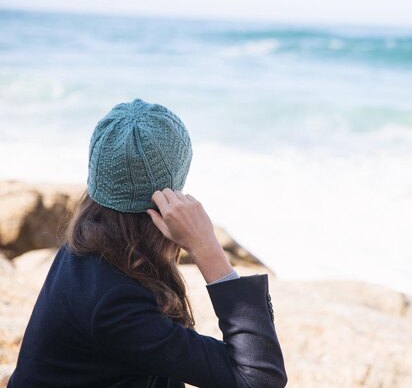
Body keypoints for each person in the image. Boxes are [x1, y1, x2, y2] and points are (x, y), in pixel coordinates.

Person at [7, 98, 287, 388]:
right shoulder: (116, 303)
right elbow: (259, 379)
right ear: (170, 198)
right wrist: (207, 248)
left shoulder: (88, 241)